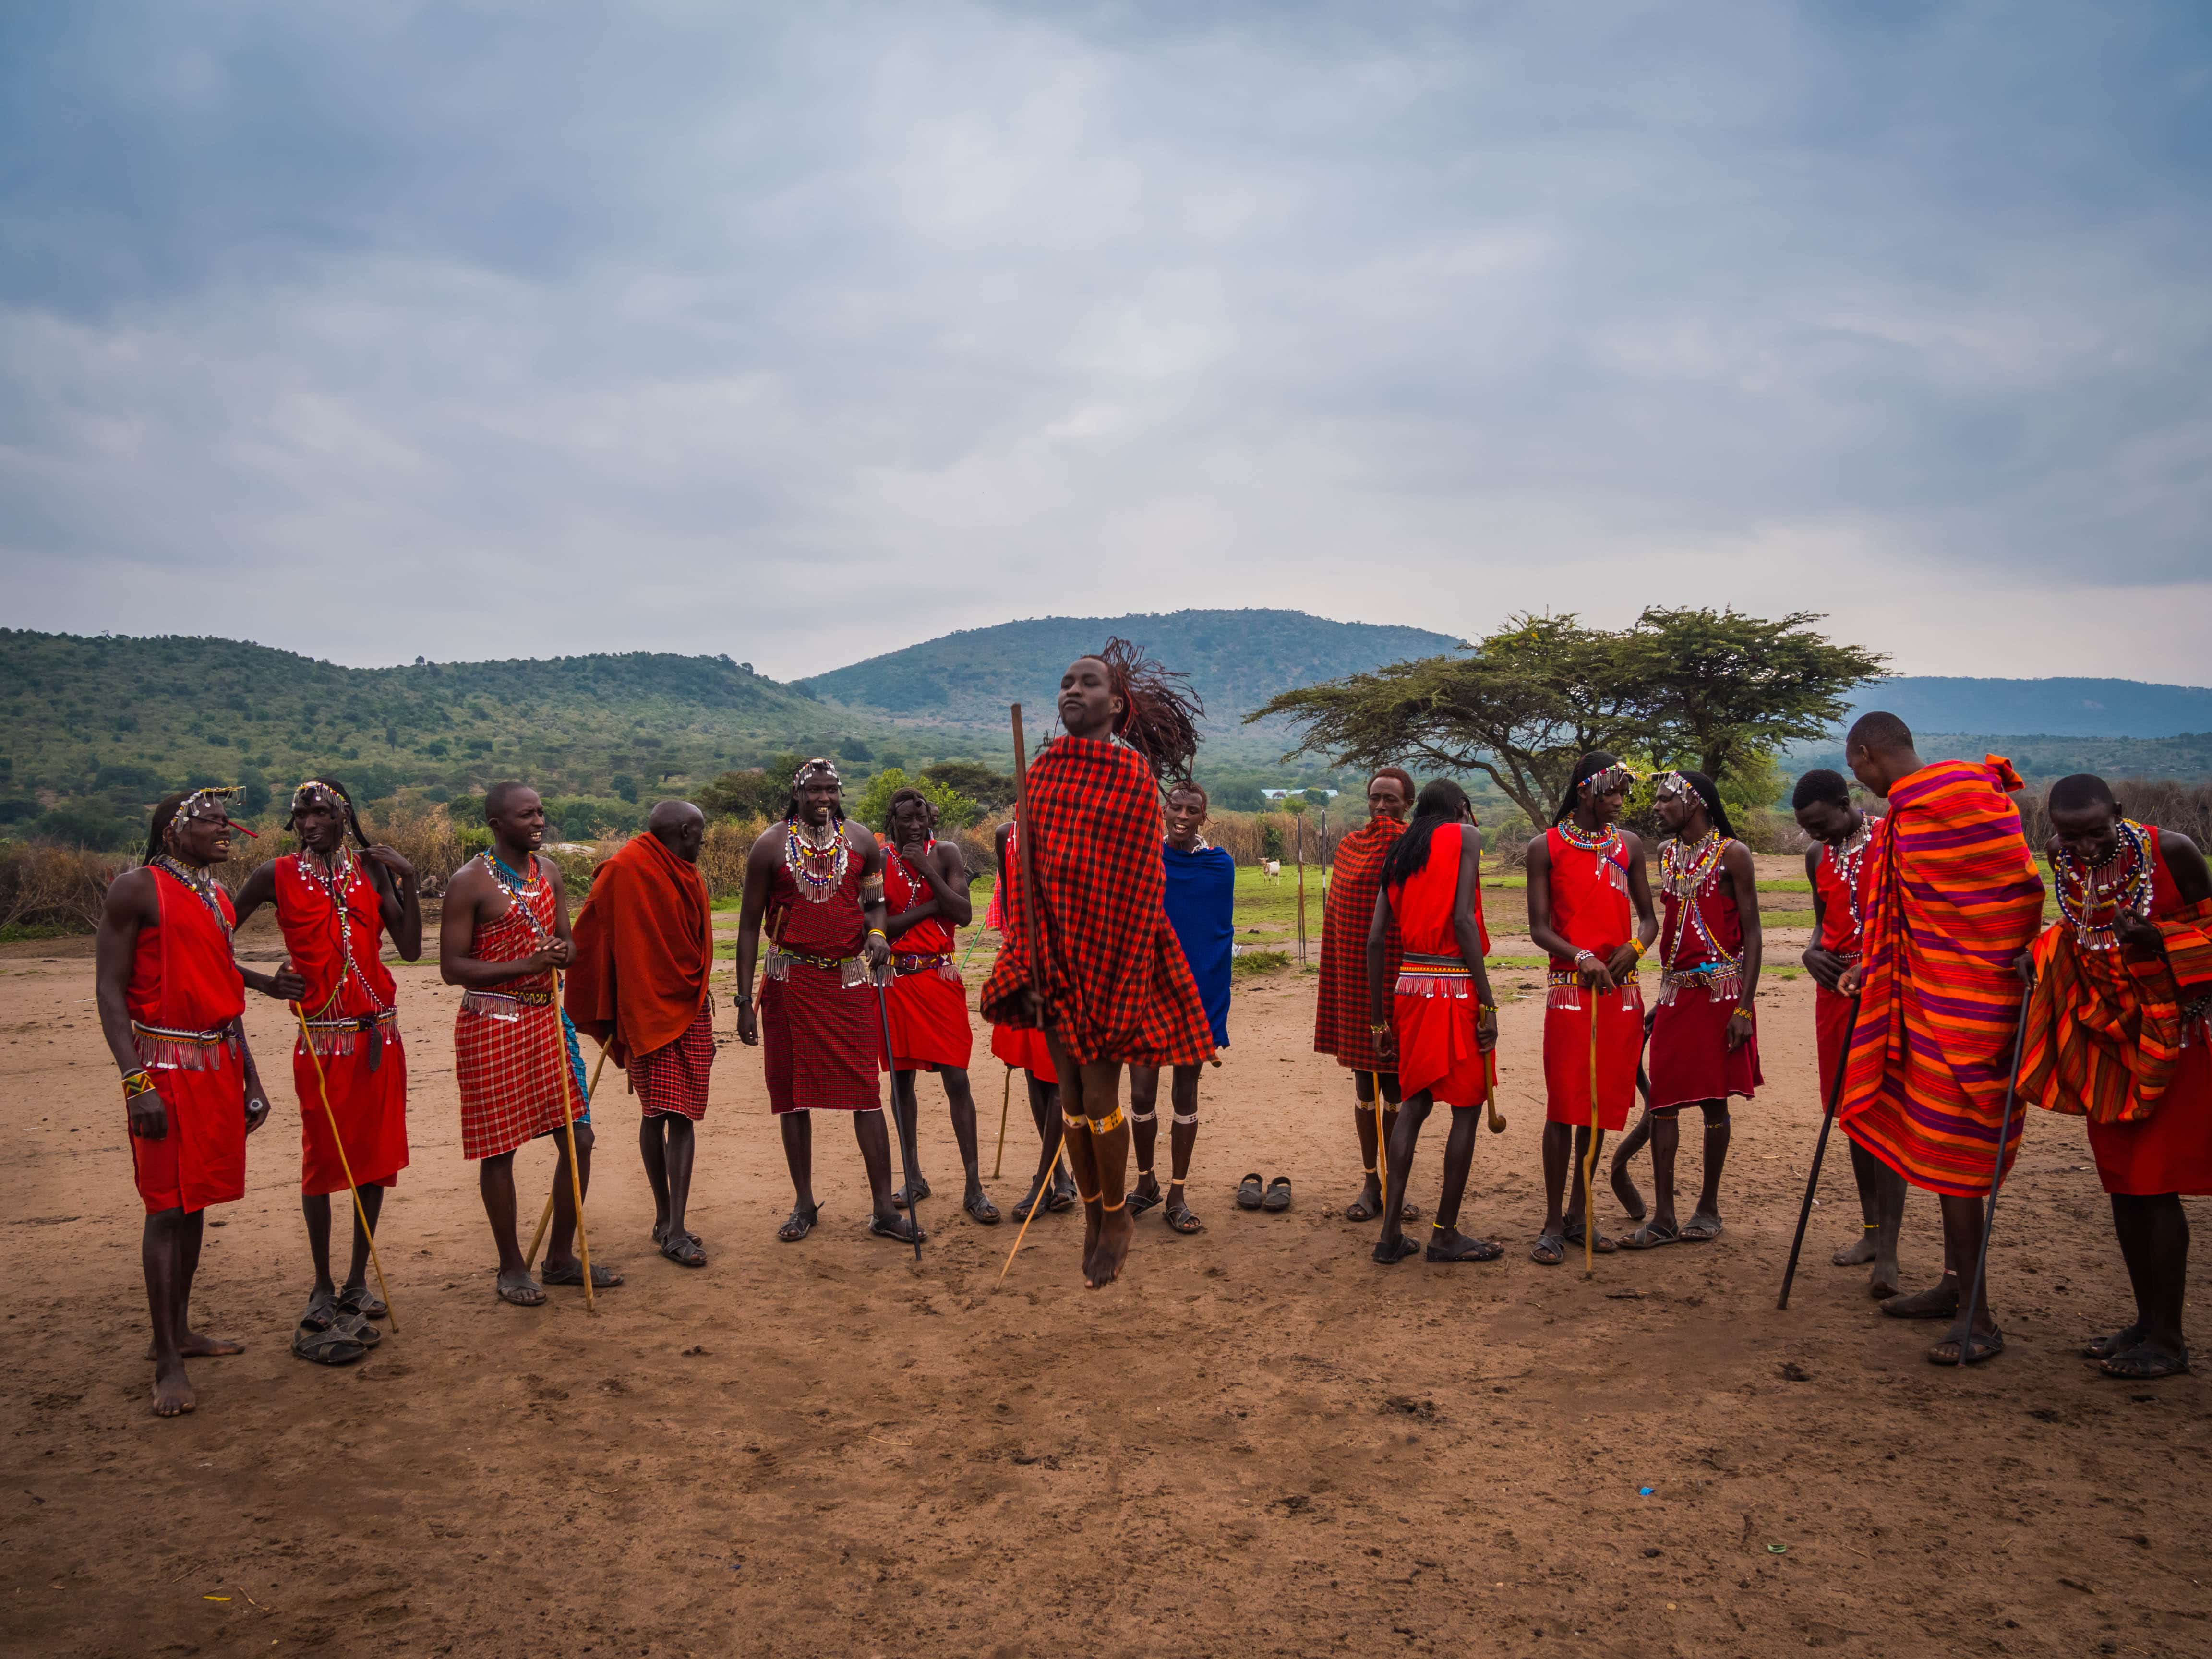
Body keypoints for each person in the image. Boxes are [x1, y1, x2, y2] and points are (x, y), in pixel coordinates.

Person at [980, 639, 1216, 1289]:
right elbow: (1024, 874)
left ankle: (1116, 1217)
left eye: (1087, 683)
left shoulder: (1132, 776)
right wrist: (1025, 962)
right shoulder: (1044, 773)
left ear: (1116, 704)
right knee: (1073, 1102)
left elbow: (1140, 883)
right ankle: (1093, 1212)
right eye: (1065, 682)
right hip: (1050, 953)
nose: (1071, 691)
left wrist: (1125, 971)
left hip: (1113, 954)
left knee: (1101, 1095)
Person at [1836, 713, 2045, 1366]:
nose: (1859, 782)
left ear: (1868, 755)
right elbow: (1900, 905)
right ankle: (1956, 1288)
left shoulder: (1962, 802)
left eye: (1856, 769)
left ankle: (1979, 1320)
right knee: (1933, 1140)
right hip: (1924, 995)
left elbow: (2015, 897)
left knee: (1959, 1164)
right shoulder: (1907, 814)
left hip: (1972, 1002)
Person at [2020, 774, 2212, 1380]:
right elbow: (2082, 935)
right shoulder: (2064, 859)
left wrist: (2160, 941)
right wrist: (2043, 949)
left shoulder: (2173, 850)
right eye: (2070, 835)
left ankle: (2170, 1340)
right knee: (2125, 1186)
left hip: (2177, 1039)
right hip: (2111, 1044)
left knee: (2155, 1185)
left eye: (2096, 832)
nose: (2084, 847)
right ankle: (2145, 1322)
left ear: (2120, 815)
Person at [93, 788, 276, 1415]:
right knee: (166, 1209)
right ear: (175, 831)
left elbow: (224, 983)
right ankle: (166, 1359)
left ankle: (181, 1331)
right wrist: (134, 1082)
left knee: (194, 1200)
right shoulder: (136, 890)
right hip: (163, 1070)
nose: (228, 831)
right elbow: (110, 993)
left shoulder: (217, 894)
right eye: (213, 822)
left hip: (218, 1066)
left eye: (229, 822)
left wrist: (251, 1080)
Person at [231, 778, 421, 1362]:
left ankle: (358, 1282)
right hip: (321, 1041)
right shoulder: (274, 875)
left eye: (319, 813)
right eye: (300, 815)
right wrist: (263, 982)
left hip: (378, 1037)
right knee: (321, 1161)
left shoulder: (372, 871)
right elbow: (208, 938)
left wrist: (409, 880)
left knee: (374, 1160)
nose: (309, 823)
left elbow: (412, 949)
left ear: (343, 817)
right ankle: (320, 1285)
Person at [440, 782, 619, 1305]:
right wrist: (527, 965)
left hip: (547, 1021)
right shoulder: (468, 882)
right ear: (497, 825)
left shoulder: (551, 874)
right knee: (500, 1149)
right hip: (491, 1023)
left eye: (541, 812)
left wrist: (564, 954)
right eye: (527, 815)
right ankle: (510, 1266)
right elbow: (453, 968)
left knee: (579, 1140)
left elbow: (568, 944)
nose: (539, 822)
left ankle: (561, 1256)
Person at [733, 759, 917, 1245]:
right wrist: (740, 999)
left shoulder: (860, 842)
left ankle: (883, 1208)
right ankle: (803, 1204)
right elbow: (750, 924)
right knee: (792, 1097)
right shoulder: (770, 846)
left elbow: (875, 902)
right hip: (789, 983)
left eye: (831, 789)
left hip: (849, 982)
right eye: (813, 789)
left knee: (866, 1093)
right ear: (796, 793)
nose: (823, 797)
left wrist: (878, 933)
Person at [1611, 769, 1764, 1248]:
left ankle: (1709, 1208)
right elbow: (1674, 934)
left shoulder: (1733, 855)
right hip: (1677, 995)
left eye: (1664, 800)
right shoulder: (1666, 855)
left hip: (1722, 998)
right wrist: (1660, 998)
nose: (1656, 807)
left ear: (1693, 802)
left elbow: (1754, 934)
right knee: (1665, 1104)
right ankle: (1663, 1218)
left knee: (1715, 1103)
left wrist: (1744, 1007)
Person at [564, 800, 716, 1269]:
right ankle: (668, 1223)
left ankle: (671, 1223)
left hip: (690, 1003)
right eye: (700, 832)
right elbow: (591, 938)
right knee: (662, 1114)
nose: (704, 841)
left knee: (680, 1113)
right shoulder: (626, 870)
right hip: (645, 1007)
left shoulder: (685, 869)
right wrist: (612, 1000)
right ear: (685, 829)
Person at [1524, 755, 1658, 1266]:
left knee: (1599, 1110)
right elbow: (1540, 928)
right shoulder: (1546, 848)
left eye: (1623, 792)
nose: (1619, 802)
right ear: (1585, 793)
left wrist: (1636, 949)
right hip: (1570, 987)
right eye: (1611, 793)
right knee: (1565, 1105)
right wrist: (1580, 955)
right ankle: (1553, 1222)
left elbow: (1649, 919)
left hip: (1621, 990)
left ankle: (1581, 1215)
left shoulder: (1630, 846)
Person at [1367, 780, 1503, 1264]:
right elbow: (1464, 921)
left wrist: (1379, 1022)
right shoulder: (1465, 837)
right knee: (1465, 1110)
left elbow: (1377, 940)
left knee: (1414, 1104)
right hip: (1454, 990)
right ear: (1462, 809)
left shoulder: (1401, 850)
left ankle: (1389, 1235)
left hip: (1409, 989)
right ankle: (1444, 1233)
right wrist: (1489, 1003)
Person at [1793, 768, 1907, 1298]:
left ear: (1846, 803)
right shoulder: (1818, 856)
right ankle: (1870, 1232)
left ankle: (1890, 1252)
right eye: (1806, 828)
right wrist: (1811, 952)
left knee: (1883, 1112)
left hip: (1885, 989)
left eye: (1820, 823)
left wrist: (1873, 964)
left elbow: (1912, 917)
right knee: (1852, 1114)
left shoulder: (1892, 839)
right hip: (1834, 994)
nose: (1814, 835)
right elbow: (1823, 924)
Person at [879, 787, 998, 1226]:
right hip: (895, 981)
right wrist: (933, 906)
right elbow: (882, 928)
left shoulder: (945, 853)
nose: (915, 825)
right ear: (891, 818)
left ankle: (974, 1187)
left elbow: (964, 913)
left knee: (958, 1080)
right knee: (901, 1084)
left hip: (940, 978)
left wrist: (926, 870)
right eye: (907, 818)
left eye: (922, 817)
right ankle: (913, 1177)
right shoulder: (878, 859)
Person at [1314, 768, 1421, 1222]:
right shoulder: (1349, 848)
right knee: (1364, 1086)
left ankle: (1396, 1187)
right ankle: (1370, 1182)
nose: (1381, 808)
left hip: (1404, 978)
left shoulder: (1418, 847)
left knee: (1398, 1087)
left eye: (1391, 801)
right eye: (1375, 799)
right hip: (1357, 980)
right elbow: (1339, 920)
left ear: (1408, 806)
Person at [1128, 779, 1235, 1235]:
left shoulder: (1219, 867)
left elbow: (1215, 935)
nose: (1183, 817)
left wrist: (1209, 1004)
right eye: (1176, 807)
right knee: (1140, 1094)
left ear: (1203, 819)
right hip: (1145, 991)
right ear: (1164, 810)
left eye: (1193, 811)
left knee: (1185, 1094)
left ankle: (1177, 1191)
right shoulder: (1142, 861)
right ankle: (1146, 1181)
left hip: (1195, 993)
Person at [989, 815, 1076, 1223]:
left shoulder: (1077, 830)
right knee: (1033, 1072)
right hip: (1023, 963)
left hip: (1068, 966)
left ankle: (1042, 1180)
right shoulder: (1007, 835)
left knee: (1058, 1077)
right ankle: (1060, 1176)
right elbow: (1009, 904)